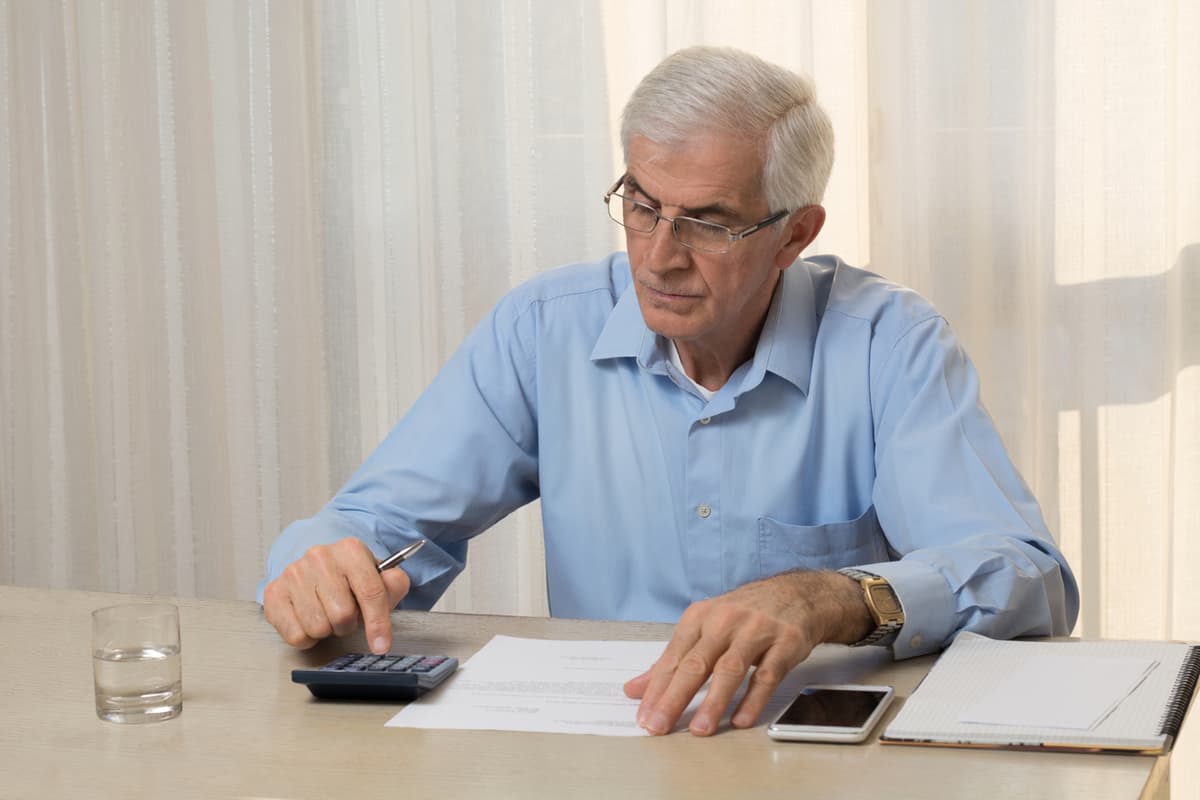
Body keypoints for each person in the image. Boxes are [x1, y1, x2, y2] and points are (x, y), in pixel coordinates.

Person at [260, 45, 1079, 737]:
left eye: (710, 223)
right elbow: (372, 528)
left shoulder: (886, 343)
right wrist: (321, 568)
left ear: (796, 232)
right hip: (609, 750)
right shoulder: (545, 328)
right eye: (643, 207)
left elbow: (1027, 579)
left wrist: (829, 598)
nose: (657, 257)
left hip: (812, 761)